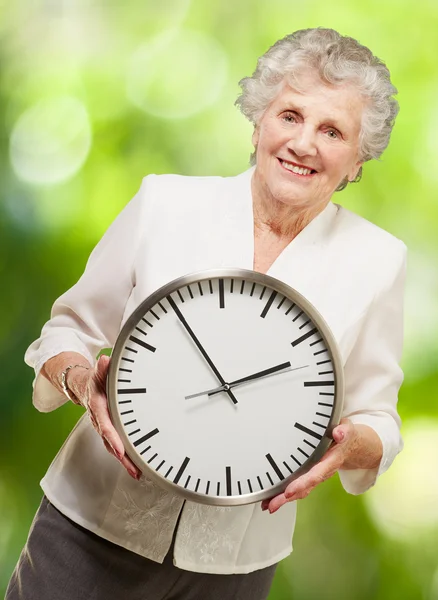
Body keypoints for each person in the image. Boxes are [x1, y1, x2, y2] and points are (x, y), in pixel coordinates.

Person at [6, 27, 407, 600]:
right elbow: (66, 329)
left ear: (357, 160)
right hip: (91, 521)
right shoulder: (165, 204)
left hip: (235, 561)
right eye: (290, 115)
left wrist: (349, 444)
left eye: (332, 130)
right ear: (258, 121)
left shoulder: (378, 260)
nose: (304, 144)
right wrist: (79, 380)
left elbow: (379, 417)